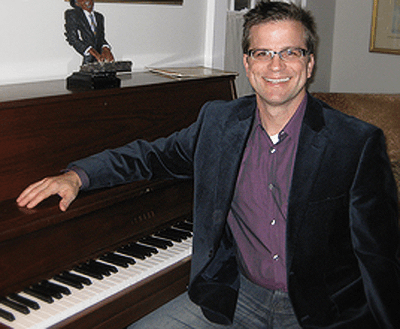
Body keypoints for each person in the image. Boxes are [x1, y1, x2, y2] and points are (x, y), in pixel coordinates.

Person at [17, 1, 400, 328]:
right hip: (238, 295)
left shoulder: (356, 142)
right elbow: (150, 156)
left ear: (310, 63)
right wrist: (77, 176)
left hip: (319, 311)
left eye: (290, 52)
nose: (276, 66)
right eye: (263, 53)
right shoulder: (218, 123)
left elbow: (381, 255)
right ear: (248, 64)